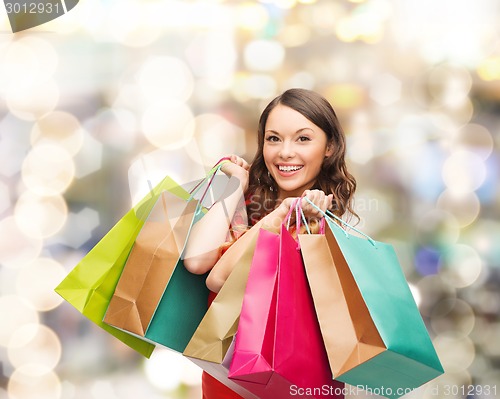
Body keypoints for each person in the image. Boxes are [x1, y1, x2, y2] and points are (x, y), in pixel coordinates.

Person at [183, 88, 357, 399]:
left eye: (303, 139)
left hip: (291, 385)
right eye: (273, 139)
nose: (285, 152)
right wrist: (236, 183)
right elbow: (197, 262)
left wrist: (284, 214)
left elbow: (220, 278)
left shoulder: (326, 231)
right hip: (225, 381)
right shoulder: (246, 206)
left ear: (329, 147)